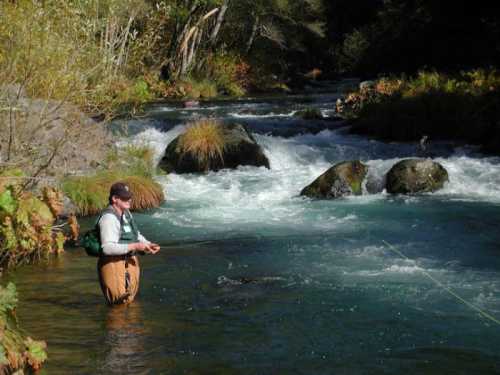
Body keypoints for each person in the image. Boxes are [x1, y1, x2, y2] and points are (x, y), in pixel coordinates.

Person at [97, 182, 160, 305]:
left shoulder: (127, 213)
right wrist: (136, 246)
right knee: (118, 306)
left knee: (130, 303)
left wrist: (147, 244)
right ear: (115, 199)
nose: (129, 200)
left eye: (129, 197)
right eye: (125, 197)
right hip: (112, 264)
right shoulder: (108, 219)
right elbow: (107, 248)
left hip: (129, 261)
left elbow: (136, 235)